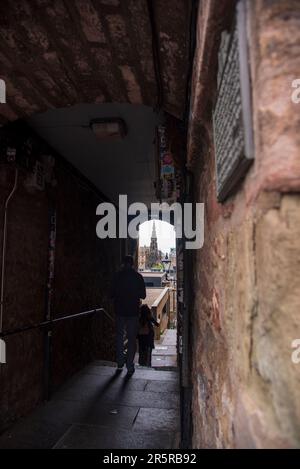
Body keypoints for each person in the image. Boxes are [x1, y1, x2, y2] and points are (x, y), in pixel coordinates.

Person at [111, 255, 146, 377]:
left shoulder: (117, 276)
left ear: (122, 263)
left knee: (119, 337)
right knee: (131, 339)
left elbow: (111, 294)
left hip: (119, 311)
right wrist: (133, 293)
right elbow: (143, 295)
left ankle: (120, 361)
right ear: (132, 264)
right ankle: (129, 365)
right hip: (132, 312)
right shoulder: (137, 277)